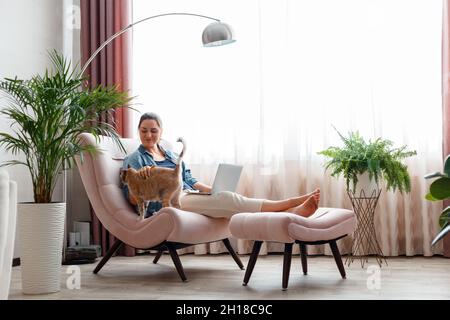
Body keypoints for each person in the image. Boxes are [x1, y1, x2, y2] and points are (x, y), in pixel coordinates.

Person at [122, 112, 320, 218]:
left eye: (153, 131)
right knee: (230, 201)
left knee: (225, 197)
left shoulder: (173, 156)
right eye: (144, 130)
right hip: (169, 203)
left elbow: (189, 179)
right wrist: (141, 177)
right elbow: (133, 199)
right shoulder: (135, 160)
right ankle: (291, 206)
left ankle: (291, 211)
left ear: (161, 132)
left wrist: (212, 190)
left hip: (188, 194)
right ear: (138, 131)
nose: (149, 135)